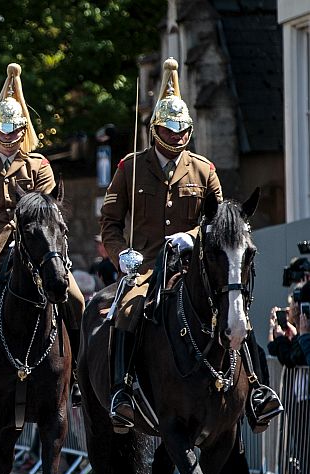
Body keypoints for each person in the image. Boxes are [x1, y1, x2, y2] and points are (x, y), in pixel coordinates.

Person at [100, 58, 281, 432]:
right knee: (128, 309)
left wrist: (194, 236)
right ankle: (122, 391)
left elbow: (223, 224)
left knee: (236, 313)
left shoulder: (204, 170)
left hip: (196, 264)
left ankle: (258, 392)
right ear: (155, 131)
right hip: (148, 264)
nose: (177, 138)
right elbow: (110, 223)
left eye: (183, 131)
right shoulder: (130, 168)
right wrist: (122, 255)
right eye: (170, 130)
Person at [0, 62, 83, 429]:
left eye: (15, 129)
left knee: (76, 301)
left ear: (24, 131)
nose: (8, 136)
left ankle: (74, 381)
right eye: (2, 128)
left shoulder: (39, 167)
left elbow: (44, 214)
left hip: (34, 252)